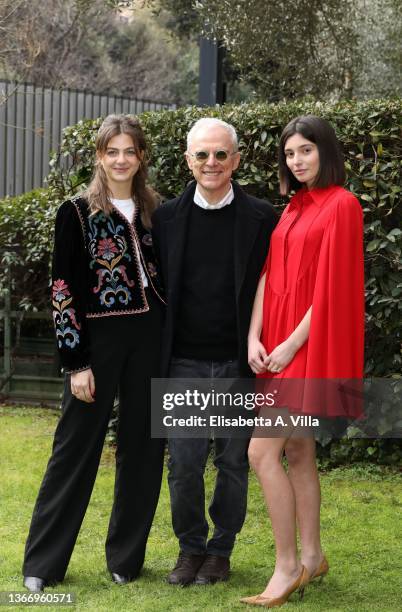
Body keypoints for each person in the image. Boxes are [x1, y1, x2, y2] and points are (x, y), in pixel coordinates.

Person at [22, 114, 166, 592]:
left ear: (141, 156)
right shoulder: (77, 212)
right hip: (97, 342)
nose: (121, 160)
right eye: (112, 152)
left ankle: (126, 558)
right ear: (100, 157)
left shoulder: (155, 210)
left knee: (144, 449)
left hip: (151, 338)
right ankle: (43, 565)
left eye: (129, 151)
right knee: (74, 449)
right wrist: (76, 361)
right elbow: (62, 290)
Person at [241, 115, 364, 607]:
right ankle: (312, 556)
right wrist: (255, 334)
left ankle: (287, 567)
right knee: (297, 451)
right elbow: (269, 275)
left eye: (306, 151)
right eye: (290, 154)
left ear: (325, 152)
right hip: (276, 344)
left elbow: (333, 288)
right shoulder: (292, 206)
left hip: (306, 345)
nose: (297, 160)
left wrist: (292, 343)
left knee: (260, 453)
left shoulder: (343, 205)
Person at [152, 117, 278, 586]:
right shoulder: (164, 218)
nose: (211, 163)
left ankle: (220, 551)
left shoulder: (262, 217)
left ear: (236, 160)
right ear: (188, 160)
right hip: (181, 362)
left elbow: (274, 286)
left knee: (231, 462)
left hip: (235, 362)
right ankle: (190, 549)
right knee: (183, 464)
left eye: (221, 154)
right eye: (202, 154)